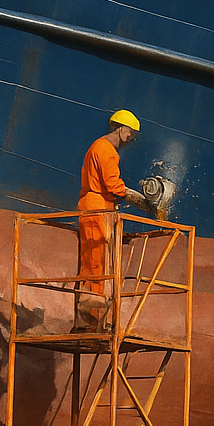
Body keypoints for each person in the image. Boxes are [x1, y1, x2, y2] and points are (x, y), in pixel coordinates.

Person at [74, 109, 149, 331]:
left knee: (90, 263)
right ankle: (93, 322)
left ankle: (87, 319)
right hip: (98, 209)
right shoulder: (107, 151)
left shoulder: (96, 146)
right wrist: (134, 196)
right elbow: (112, 184)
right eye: (130, 133)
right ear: (120, 128)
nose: (131, 139)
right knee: (97, 265)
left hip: (90, 207)